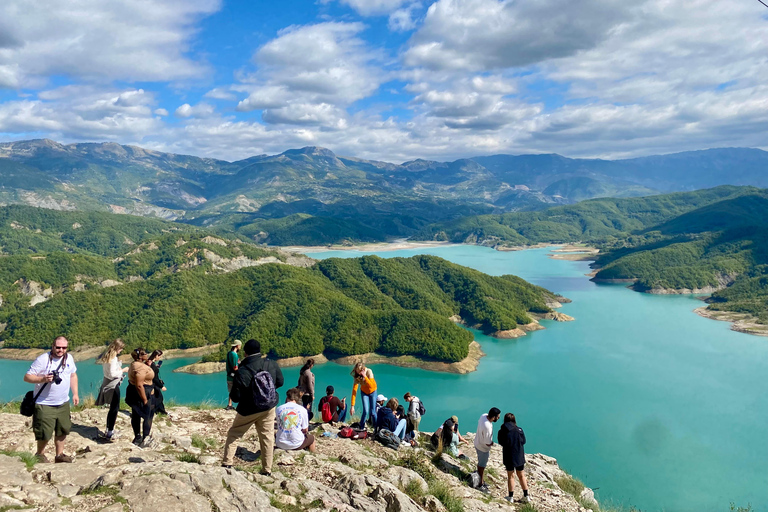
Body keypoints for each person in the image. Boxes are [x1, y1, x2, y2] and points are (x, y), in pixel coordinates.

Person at [222, 339, 284, 474]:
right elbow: (280, 381)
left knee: (235, 433)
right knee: (267, 437)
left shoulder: (243, 370)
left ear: (245, 353)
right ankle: (267, 470)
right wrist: (265, 393)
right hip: (268, 407)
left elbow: (236, 397)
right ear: (259, 350)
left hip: (248, 410)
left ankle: (227, 463)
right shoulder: (270, 363)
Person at [23, 336, 79, 463]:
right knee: (44, 432)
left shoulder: (69, 358)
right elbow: (27, 377)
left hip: (63, 402)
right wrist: (42, 379)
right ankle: (40, 454)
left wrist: (75, 393)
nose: (61, 350)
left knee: (62, 429)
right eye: (58, 347)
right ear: (53, 346)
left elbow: (73, 375)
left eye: (64, 348)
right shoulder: (42, 359)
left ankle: (59, 455)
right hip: (44, 403)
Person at [95, 339, 129, 441]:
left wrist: (119, 366)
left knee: (112, 409)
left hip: (107, 384)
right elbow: (112, 374)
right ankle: (110, 432)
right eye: (121, 348)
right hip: (113, 386)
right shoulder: (113, 359)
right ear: (117, 347)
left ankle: (109, 429)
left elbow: (109, 372)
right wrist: (123, 370)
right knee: (114, 408)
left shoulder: (107, 357)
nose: (121, 350)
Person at [126, 348, 156, 447]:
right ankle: (145, 438)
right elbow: (139, 385)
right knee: (148, 415)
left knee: (136, 414)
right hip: (142, 393)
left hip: (133, 391)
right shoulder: (140, 368)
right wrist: (145, 400)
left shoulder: (134, 364)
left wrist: (146, 365)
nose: (147, 354)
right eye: (145, 353)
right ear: (140, 356)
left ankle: (137, 436)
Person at [498, 413, 529, 504]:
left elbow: (501, 442)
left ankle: (511, 497)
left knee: (511, 476)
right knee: (521, 475)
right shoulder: (519, 430)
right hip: (519, 455)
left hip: (508, 456)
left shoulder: (502, 431)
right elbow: (523, 441)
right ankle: (526, 495)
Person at [275, 387, 316, 453]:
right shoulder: (302, 409)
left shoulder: (279, 409)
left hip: (280, 443)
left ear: (287, 396)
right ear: (298, 398)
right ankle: (312, 455)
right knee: (312, 438)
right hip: (296, 444)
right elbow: (305, 429)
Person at [474, 407, 501, 492]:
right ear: (494, 417)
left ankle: (481, 480)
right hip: (483, 448)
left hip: (477, 443)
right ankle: (480, 484)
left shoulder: (483, 416)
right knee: (482, 466)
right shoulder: (487, 426)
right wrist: (492, 443)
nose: (499, 418)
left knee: (481, 464)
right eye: (498, 416)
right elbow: (487, 442)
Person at [349, 362, 377, 429]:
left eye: (359, 371)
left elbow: (371, 386)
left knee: (373, 412)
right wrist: (352, 406)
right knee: (366, 411)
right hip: (364, 392)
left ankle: (376, 427)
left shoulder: (369, 371)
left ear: (362, 369)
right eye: (357, 371)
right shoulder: (356, 376)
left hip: (373, 391)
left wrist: (365, 376)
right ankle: (361, 427)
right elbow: (354, 391)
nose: (358, 373)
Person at [148, 350, 167, 415]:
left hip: (150, 383)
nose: (159, 358)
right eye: (159, 356)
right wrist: (161, 386)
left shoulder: (149, 363)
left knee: (156, 397)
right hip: (153, 384)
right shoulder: (152, 365)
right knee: (159, 397)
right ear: (156, 356)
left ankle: (159, 411)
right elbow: (155, 378)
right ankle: (160, 411)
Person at [225, 340, 241, 410]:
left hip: (229, 376)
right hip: (234, 376)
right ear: (237, 346)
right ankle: (241, 405)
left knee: (231, 391)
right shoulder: (234, 355)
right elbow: (235, 367)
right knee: (239, 390)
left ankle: (229, 404)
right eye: (240, 345)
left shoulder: (229, 353)